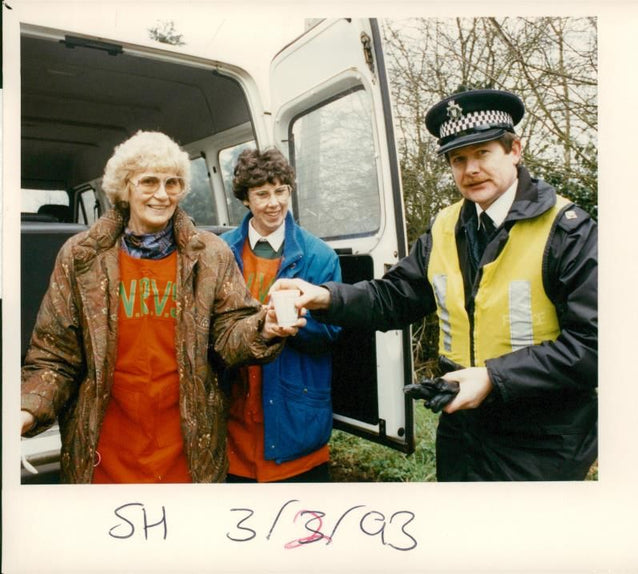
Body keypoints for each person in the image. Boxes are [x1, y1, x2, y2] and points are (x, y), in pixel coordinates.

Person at [272, 89, 598, 481]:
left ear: (515, 150)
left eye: (482, 153)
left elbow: (593, 346)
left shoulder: (569, 231)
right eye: (458, 159)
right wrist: (325, 296)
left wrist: (494, 377)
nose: (470, 169)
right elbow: (395, 296)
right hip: (462, 429)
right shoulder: (446, 226)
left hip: (542, 441)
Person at [19, 131, 303, 484]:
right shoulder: (81, 258)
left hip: (188, 457)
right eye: (149, 182)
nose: (162, 194)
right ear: (125, 187)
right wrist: (26, 409)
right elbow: (54, 356)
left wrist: (265, 326)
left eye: (173, 183)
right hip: (103, 457)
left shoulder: (210, 255)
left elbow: (230, 334)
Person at [219, 148, 341, 483]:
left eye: (281, 191)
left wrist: (296, 327)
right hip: (235, 422)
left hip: (295, 421)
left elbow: (332, 332)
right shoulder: (220, 252)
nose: (274, 203)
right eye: (262, 194)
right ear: (245, 198)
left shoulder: (319, 255)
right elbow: (209, 329)